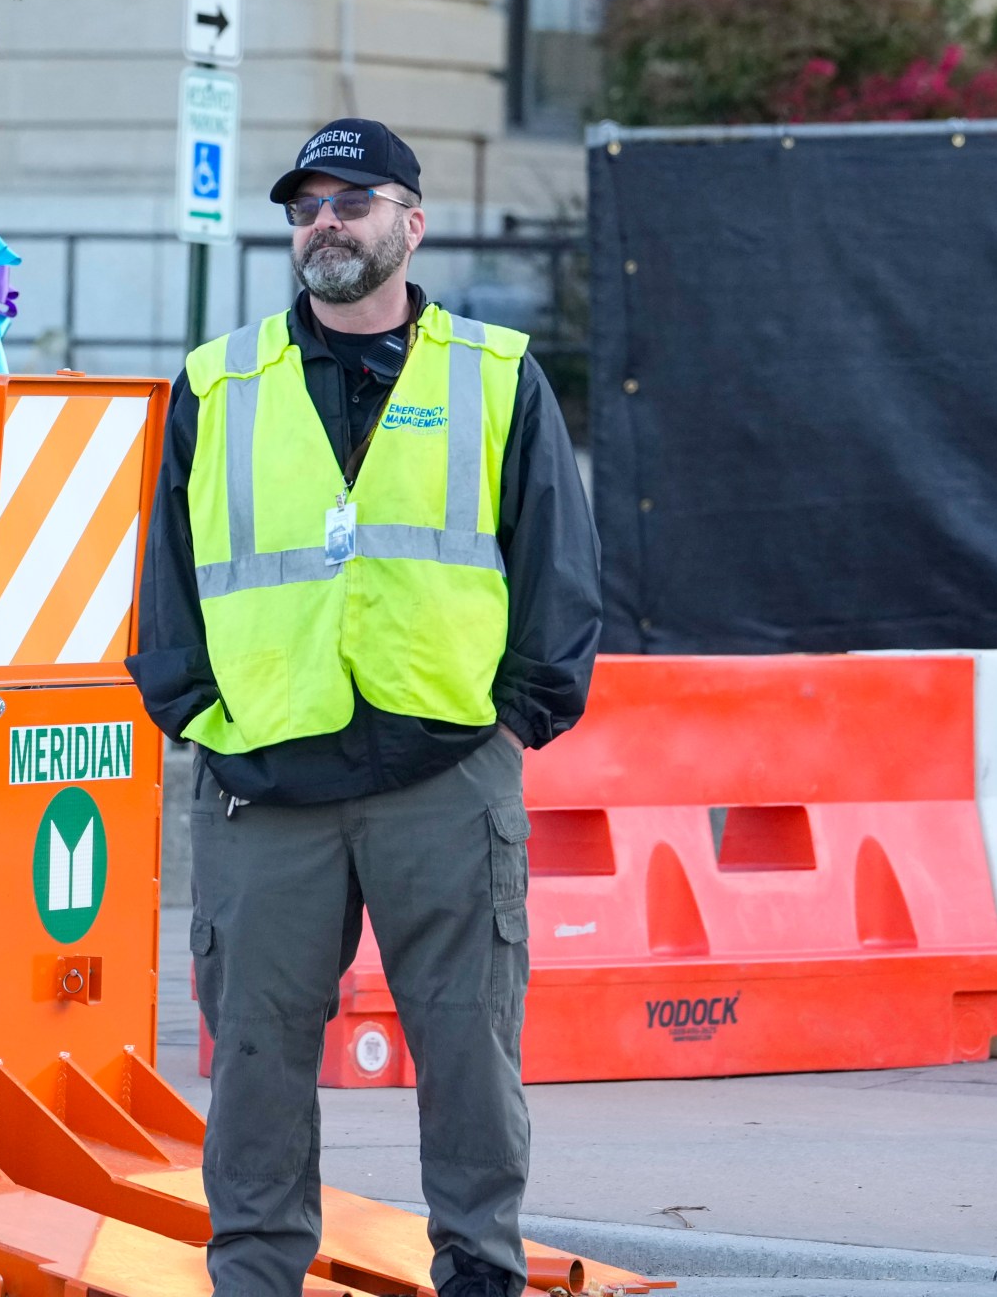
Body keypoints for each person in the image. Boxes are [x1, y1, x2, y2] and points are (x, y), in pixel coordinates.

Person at [129, 120, 600, 1297]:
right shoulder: (217, 381)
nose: (323, 223)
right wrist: (192, 712)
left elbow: (558, 564)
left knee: (469, 1049)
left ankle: (479, 1273)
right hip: (265, 782)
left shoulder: (494, 374)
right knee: (253, 1058)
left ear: (410, 222)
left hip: (443, 772)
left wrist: (514, 719)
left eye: (350, 200)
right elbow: (171, 579)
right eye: (304, 207)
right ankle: (253, 1277)